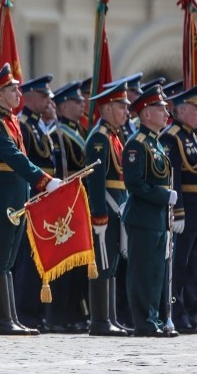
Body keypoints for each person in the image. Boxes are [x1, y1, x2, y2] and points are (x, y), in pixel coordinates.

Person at [0, 63, 61, 336]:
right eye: (13, 89)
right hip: (2, 194)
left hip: (16, 194)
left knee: (10, 258)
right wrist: (44, 181)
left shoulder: (11, 120)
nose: (18, 93)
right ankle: (1, 320)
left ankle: (10, 317)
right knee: (0, 257)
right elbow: (14, 158)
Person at [121, 84, 179, 337]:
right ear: (145, 114)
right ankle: (143, 321)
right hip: (143, 218)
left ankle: (154, 318)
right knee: (142, 272)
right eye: (160, 108)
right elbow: (134, 184)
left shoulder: (155, 144)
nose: (166, 112)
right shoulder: (137, 144)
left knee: (157, 272)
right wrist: (165, 196)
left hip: (157, 219)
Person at [84, 81, 131, 336]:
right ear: (107, 108)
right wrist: (99, 214)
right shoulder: (99, 138)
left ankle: (110, 317)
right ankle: (100, 321)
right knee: (102, 263)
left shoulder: (113, 136)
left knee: (111, 263)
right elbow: (96, 179)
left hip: (117, 205)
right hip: (105, 208)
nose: (126, 111)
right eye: (121, 106)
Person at [45, 81, 90, 333]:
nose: (82, 103)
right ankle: (59, 315)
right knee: (63, 264)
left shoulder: (80, 132)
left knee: (78, 265)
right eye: (76, 101)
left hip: (80, 203)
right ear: (63, 106)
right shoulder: (57, 134)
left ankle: (74, 312)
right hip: (65, 205)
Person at [159, 84, 197, 333]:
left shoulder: (191, 136)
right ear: (182, 110)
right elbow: (173, 178)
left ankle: (191, 310)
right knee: (179, 266)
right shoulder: (171, 136)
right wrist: (177, 211)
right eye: (196, 109)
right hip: (185, 211)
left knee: (194, 265)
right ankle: (176, 312)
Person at [14, 75, 56, 331]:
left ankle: (38, 312)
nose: (46, 101)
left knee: (41, 257)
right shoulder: (23, 126)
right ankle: (26, 311)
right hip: (33, 196)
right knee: (28, 260)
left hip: (46, 197)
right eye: (42, 96)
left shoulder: (39, 125)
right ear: (28, 97)